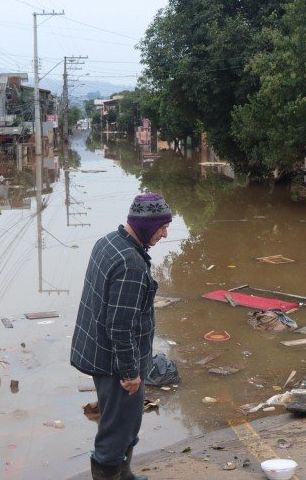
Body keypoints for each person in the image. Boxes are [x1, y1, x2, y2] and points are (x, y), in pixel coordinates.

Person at [71, 193, 172, 480]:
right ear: (144, 226)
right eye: (162, 227)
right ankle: (110, 473)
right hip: (117, 363)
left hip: (98, 351)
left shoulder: (108, 242)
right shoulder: (131, 266)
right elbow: (120, 326)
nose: (165, 234)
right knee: (118, 430)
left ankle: (123, 475)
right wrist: (129, 374)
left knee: (126, 422)